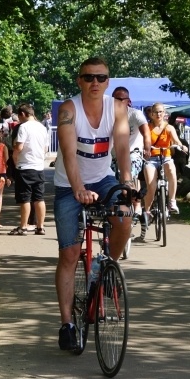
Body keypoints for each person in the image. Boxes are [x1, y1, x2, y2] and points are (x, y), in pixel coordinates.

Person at [52, 57, 132, 350]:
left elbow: (122, 146)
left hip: (103, 179)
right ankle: (67, 324)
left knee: (125, 215)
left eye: (100, 78)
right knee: (70, 254)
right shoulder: (68, 110)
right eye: (88, 78)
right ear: (79, 81)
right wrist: (78, 189)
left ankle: (107, 265)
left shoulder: (118, 109)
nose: (94, 83)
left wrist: (126, 180)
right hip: (68, 184)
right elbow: (69, 153)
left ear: (108, 82)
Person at [111, 86, 150, 237]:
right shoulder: (107, 115)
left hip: (133, 154)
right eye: (116, 99)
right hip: (113, 156)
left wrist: (147, 148)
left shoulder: (135, 114)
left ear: (129, 101)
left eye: (122, 99)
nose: (119, 101)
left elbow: (146, 132)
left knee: (127, 173)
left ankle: (136, 203)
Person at [8, 103, 49, 236]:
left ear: (23, 114)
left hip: (24, 166)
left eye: (19, 117)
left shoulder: (23, 127)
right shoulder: (42, 128)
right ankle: (40, 227)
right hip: (38, 167)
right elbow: (45, 149)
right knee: (39, 198)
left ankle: (23, 226)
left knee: (25, 198)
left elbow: (19, 148)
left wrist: (15, 160)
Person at [142, 102, 187, 216]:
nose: (158, 114)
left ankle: (172, 202)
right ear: (151, 114)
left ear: (164, 113)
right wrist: (142, 149)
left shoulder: (169, 128)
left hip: (165, 157)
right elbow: (141, 141)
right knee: (151, 186)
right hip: (151, 159)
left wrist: (181, 146)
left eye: (160, 111)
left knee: (172, 171)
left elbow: (176, 140)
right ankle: (146, 211)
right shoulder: (147, 128)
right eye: (155, 112)